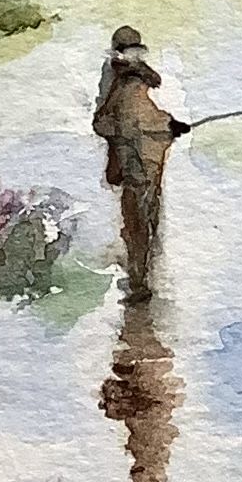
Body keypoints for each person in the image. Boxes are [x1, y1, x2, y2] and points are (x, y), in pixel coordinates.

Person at [91, 26, 189, 296]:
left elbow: (142, 116)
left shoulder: (134, 79)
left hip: (145, 163)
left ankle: (142, 278)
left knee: (145, 219)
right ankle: (139, 281)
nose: (133, 57)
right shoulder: (123, 82)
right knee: (138, 221)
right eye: (129, 52)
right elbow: (130, 120)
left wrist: (168, 124)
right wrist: (168, 125)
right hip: (135, 163)